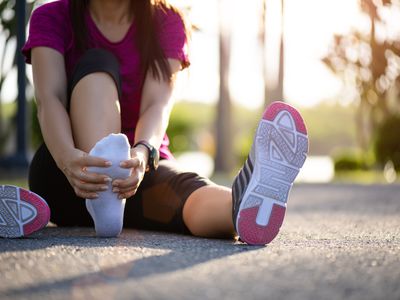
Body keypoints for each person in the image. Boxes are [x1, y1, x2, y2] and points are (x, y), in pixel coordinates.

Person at [0, 0, 308, 245]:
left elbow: (157, 104)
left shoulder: (166, 20)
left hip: (138, 174)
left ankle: (243, 204)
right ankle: (104, 194)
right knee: (98, 62)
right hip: (68, 171)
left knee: (187, 192)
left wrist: (141, 155)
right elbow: (49, 100)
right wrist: (69, 160)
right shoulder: (52, 15)